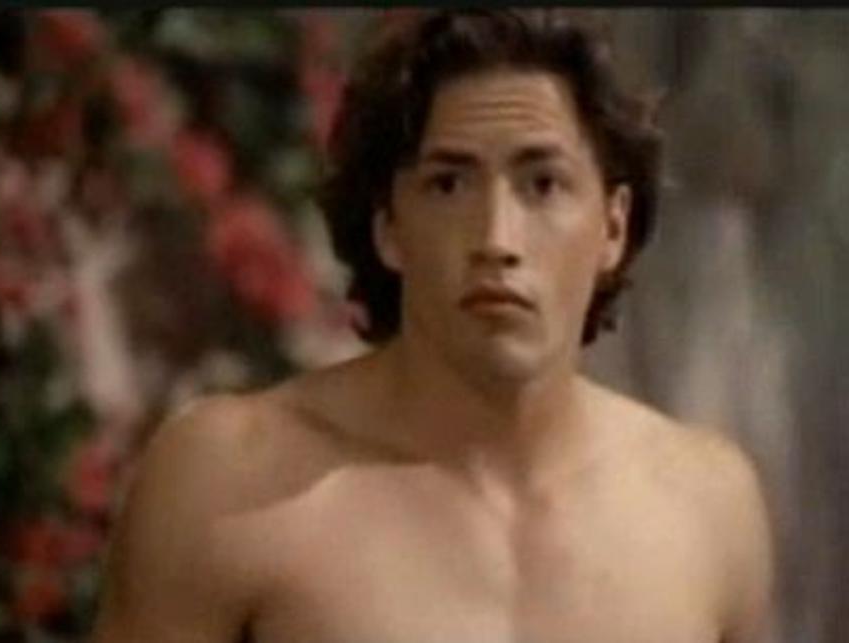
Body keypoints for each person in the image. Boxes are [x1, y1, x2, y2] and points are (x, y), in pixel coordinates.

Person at [91, 9, 775, 643]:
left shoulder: (706, 505)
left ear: (613, 228)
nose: (497, 239)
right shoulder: (231, 484)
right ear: (390, 227)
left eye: (542, 184)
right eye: (449, 184)